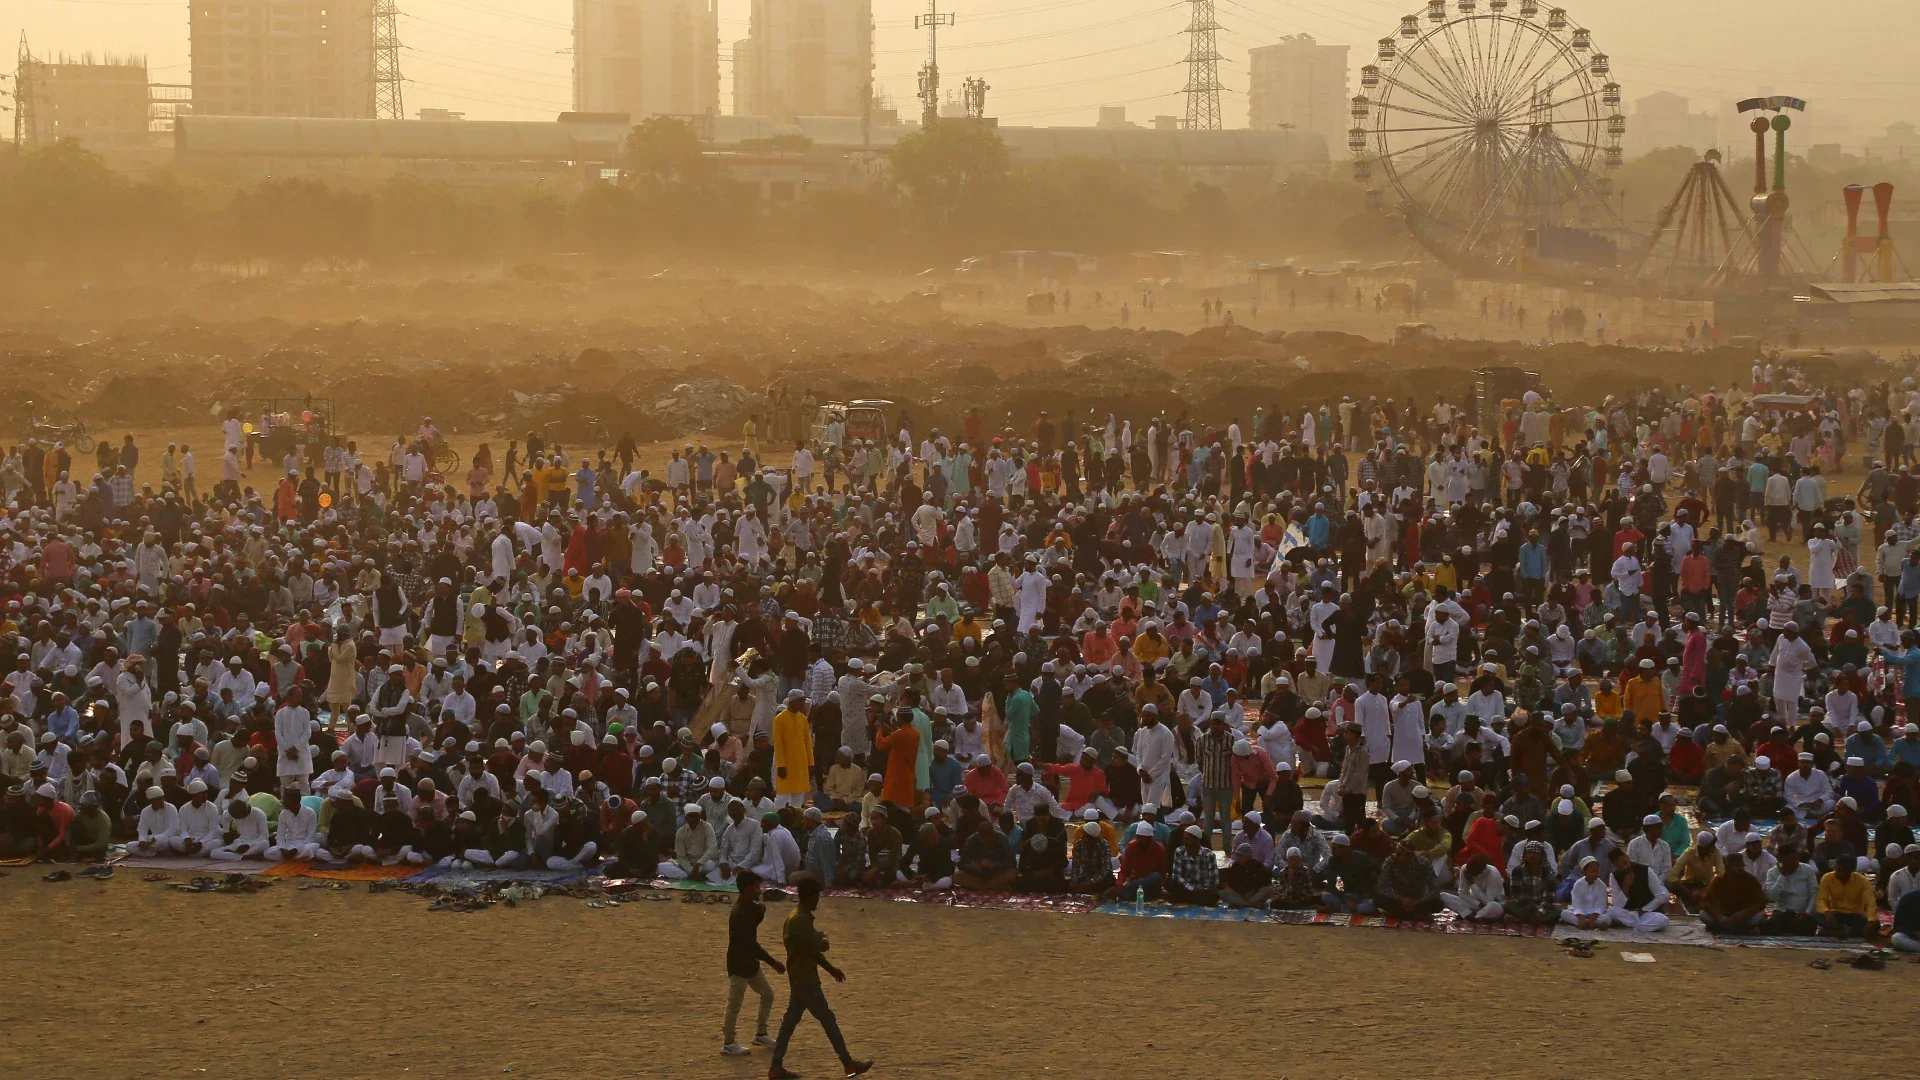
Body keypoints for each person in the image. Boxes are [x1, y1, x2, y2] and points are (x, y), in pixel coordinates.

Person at [768, 873, 872, 1080]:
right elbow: (816, 947)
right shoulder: (801, 920)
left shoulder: (796, 917)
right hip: (806, 979)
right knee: (827, 1019)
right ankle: (848, 1063)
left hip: (799, 976)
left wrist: (830, 968)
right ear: (812, 897)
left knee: (790, 1022)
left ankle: (776, 1066)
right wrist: (824, 940)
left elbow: (809, 950)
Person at [721, 870, 785, 1058]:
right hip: (740, 964)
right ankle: (728, 1043)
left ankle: (761, 1034)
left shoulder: (748, 907)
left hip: (750, 963)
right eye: (756, 886)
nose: (759, 890)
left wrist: (760, 915)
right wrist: (773, 962)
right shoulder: (740, 912)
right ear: (747, 888)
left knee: (768, 995)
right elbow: (750, 942)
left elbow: (751, 929)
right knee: (735, 1004)